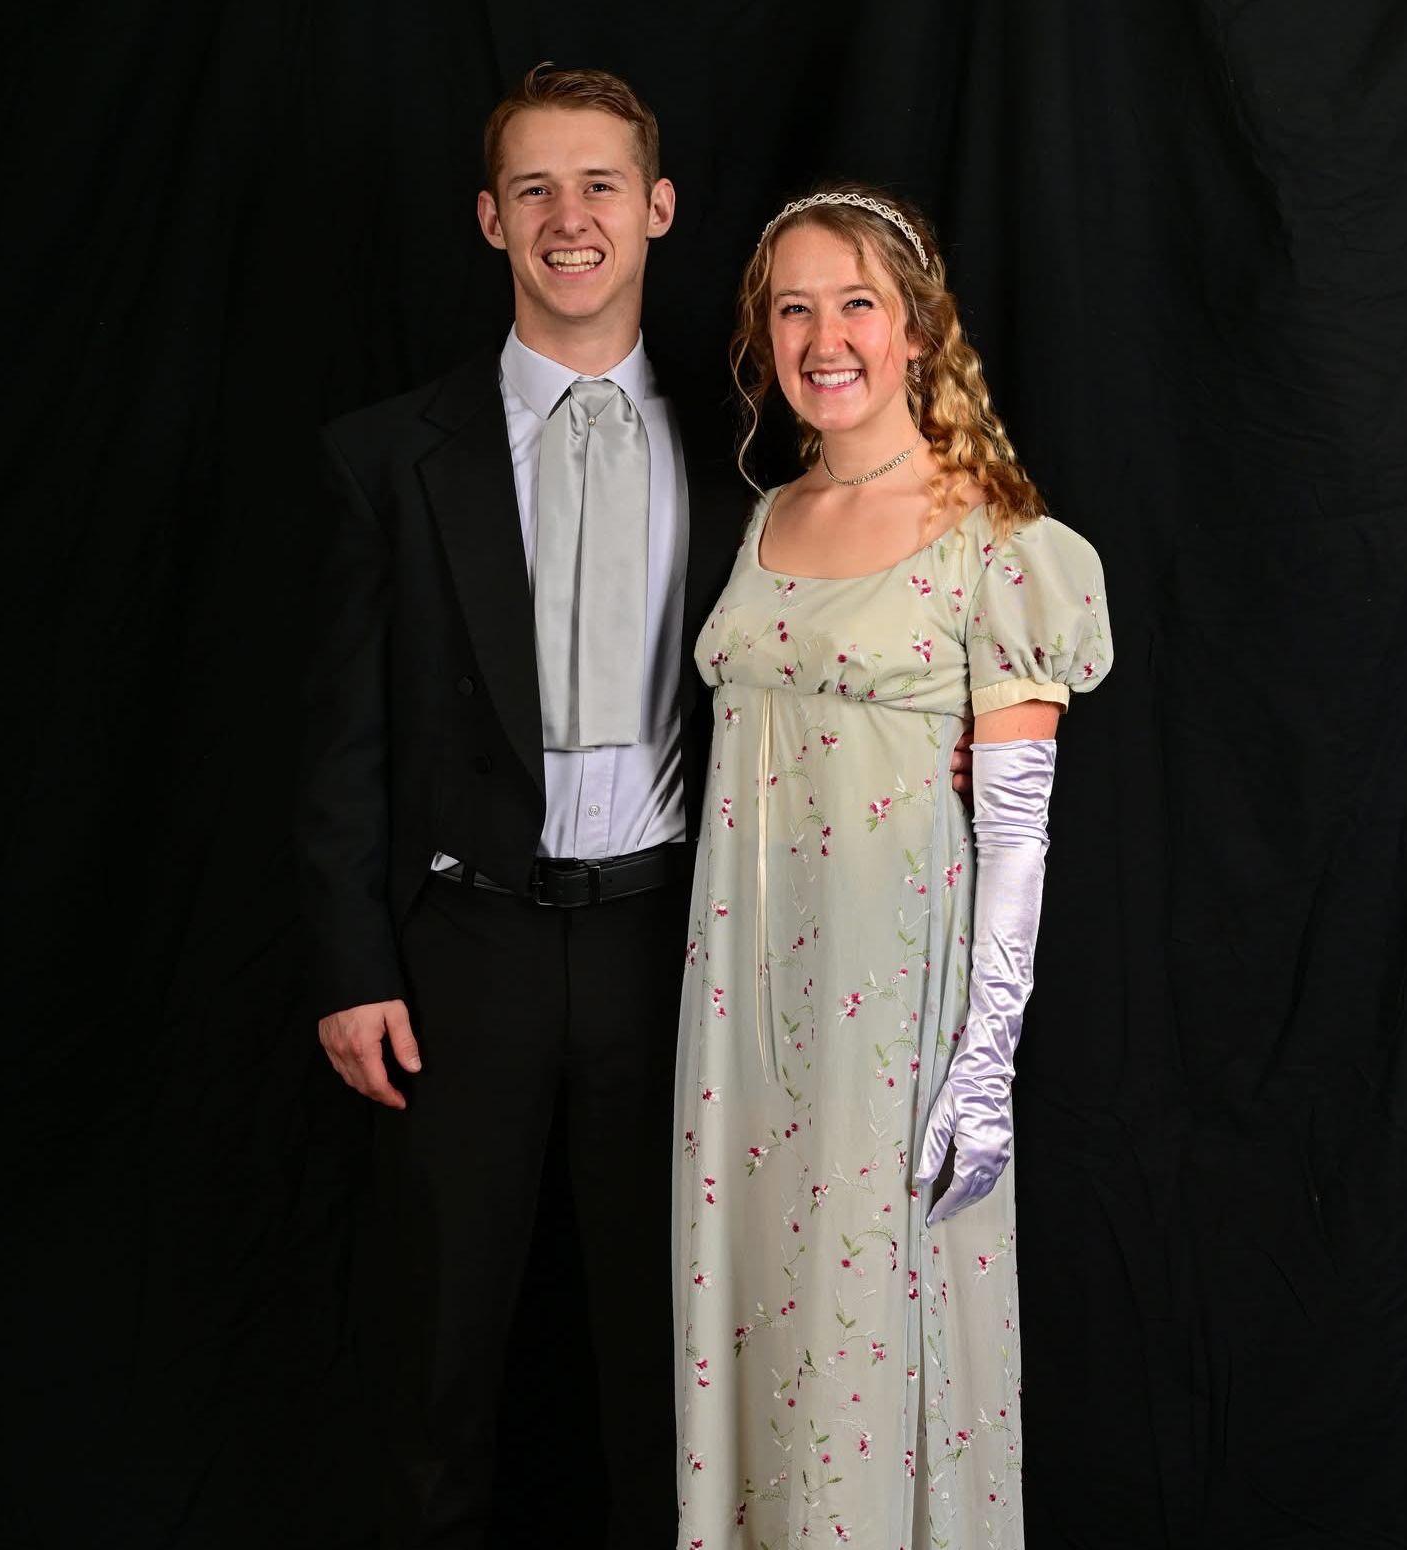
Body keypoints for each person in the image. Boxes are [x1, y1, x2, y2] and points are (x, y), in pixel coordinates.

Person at [298, 72, 976, 1547]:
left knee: (680, 1350)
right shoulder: (386, 457)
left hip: (677, 950)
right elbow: (341, 737)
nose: (571, 218)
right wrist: (352, 963)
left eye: (601, 184)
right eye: (534, 189)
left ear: (657, 208)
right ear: (491, 221)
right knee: (435, 1350)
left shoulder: (756, 457)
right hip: (458, 951)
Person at [672, 184, 1114, 1548]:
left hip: (891, 1019)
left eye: (855, 303)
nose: (825, 338)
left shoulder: (1000, 542)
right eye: (793, 308)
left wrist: (984, 1062)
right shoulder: (764, 518)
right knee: (756, 1309)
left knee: (867, 1330)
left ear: (918, 329)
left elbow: (1020, 834)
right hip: (742, 1012)